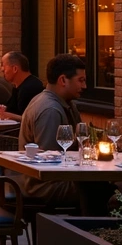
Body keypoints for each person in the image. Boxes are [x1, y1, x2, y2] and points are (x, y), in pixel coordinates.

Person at [18, 54, 111, 212]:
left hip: (54, 179)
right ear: (63, 80)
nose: (85, 86)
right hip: (45, 185)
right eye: (80, 80)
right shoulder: (50, 110)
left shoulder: (66, 103)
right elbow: (50, 161)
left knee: (106, 185)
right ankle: (90, 233)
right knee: (107, 191)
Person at [0, 51, 45, 120]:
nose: (2, 69)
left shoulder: (29, 88)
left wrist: (8, 115)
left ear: (15, 69)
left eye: (4, 66)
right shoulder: (18, 87)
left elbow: (29, 119)